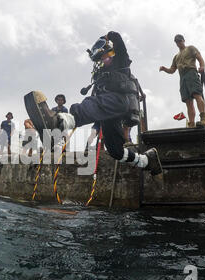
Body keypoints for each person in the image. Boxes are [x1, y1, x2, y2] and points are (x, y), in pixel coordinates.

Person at [26, 31, 162, 176]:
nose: (105, 60)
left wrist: (109, 36)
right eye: (101, 58)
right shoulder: (100, 77)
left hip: (121, 102)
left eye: (107, 56)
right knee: (115, 150)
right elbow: (94, 106)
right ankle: (146, 161)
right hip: (110, 113)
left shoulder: (121, 62)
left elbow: (119, 43)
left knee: (89, 104)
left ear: (113, 53)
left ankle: (58, 122)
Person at [159, 34, 205, 128]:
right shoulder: (176, 56)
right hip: (182, 77)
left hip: (191, 72)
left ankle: (204, 119)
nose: (179, 43)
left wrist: (202, 66)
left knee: (197, 94)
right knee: (188, 101)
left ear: (183, 40)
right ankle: (191, 123)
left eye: (180, 40)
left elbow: (199, 58)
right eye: (177, 41)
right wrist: (164, 69)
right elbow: (172, 70)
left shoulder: (190, 48)